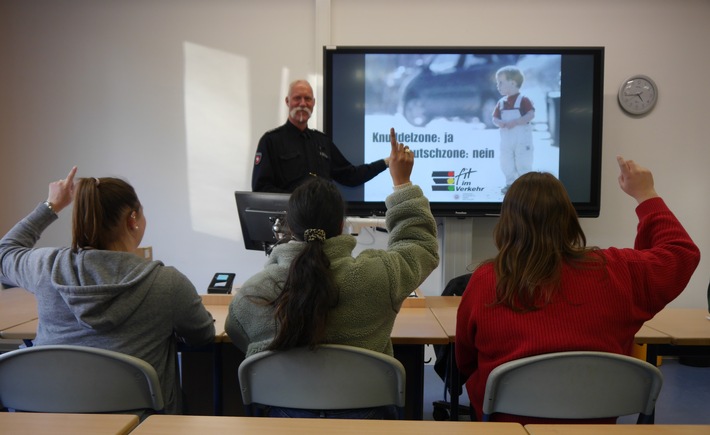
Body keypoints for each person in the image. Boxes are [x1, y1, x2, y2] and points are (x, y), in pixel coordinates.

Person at [455, 156, 701, 424]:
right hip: (596, 425)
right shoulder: (618, 270)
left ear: (507, 223)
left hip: (508, 425)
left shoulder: (486, 280)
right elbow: (680, 253)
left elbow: (465, 362)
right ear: (570, 219)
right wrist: (646, 195)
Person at [227, 128, 440, 418]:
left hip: (283, 425)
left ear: (290, 227)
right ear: (341, 226)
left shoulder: (252, 296)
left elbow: (240, 336)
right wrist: (402, 183)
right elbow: (420, 246)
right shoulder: (379, 275)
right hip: (367, 423)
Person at [0, 167, 216, 415]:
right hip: (140, 426)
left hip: (53, 423)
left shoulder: (45, 267)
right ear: (132, 219)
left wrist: (52, 205)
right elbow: (203, 335)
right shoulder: (166, 283)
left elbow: (4, 253)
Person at [251, 79, 389, 193]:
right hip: (289, 222)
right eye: (297, 98)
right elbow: (261, 188)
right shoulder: (270, 141)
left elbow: (350, 176)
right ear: (287, 101)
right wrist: (297, 200)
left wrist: (386, 162)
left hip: (323, 221)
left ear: (313, 103)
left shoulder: (322, 141)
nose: (303, 104)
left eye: (307, 99)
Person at [492, 65, 535, 195]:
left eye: (501, 82)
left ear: (513, 83)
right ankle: (510, 183)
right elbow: (494, 118)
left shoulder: (524, 100)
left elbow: (530, 114)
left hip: (522, 139)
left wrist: (516, 121)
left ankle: (525, 185)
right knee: (506, 161)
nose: (498, 86)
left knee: (523, 160)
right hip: (506, 140)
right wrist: (500, 123)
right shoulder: (501, 102)